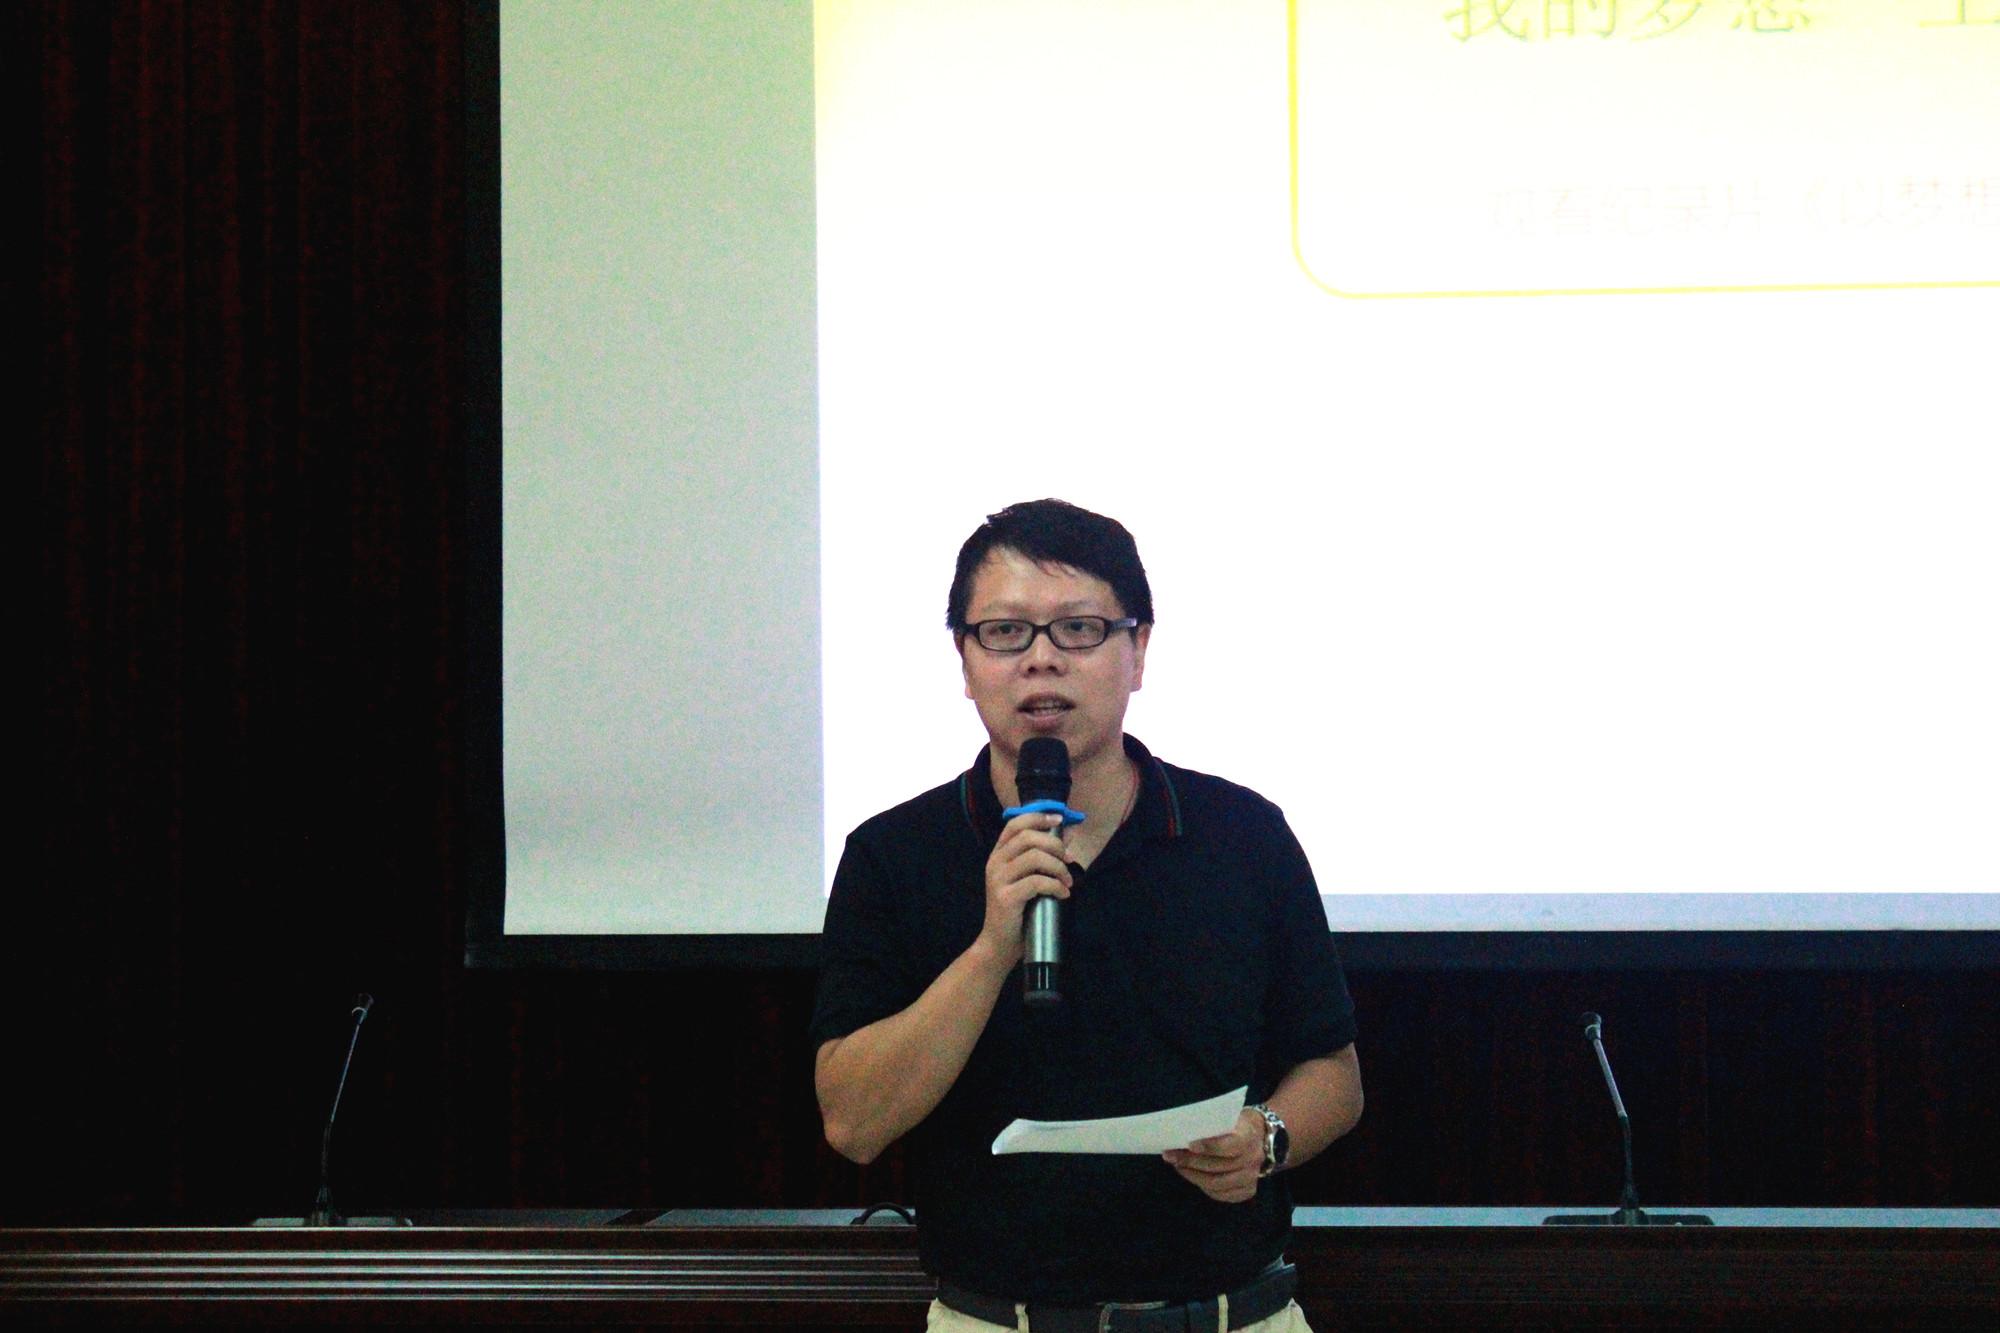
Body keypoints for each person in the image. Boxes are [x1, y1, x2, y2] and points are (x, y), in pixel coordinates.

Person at [812, 499, 1362, 1333]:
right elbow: (854, 1122)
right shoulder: (895, 854)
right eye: (1005, 632)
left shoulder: (1242, 834)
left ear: (1138, 651)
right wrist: (992, 946)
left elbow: (1334, 1072)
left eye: (1079, 628)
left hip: (1232, 1316)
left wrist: (1267, 1136)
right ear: (964, 659)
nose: (1041, 659)